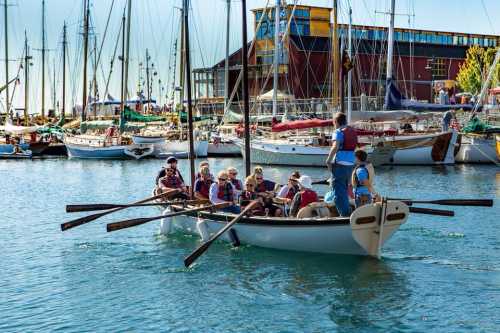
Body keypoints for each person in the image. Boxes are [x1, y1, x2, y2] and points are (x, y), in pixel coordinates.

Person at [325, 112, 358, 216]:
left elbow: (335, 146)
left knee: (339, 192)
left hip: (339, 164)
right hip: (351, 164)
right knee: (345, 188)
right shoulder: (352, 131)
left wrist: (328, 160)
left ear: (336, 122)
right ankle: (349, 211)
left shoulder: (338, 131)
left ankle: (345, 215)